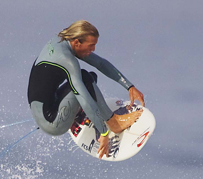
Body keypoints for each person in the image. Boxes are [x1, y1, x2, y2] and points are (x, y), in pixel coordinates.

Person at [27, 20, 146, 159]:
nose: (93, 50)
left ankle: (76, 114)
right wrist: (103, 132)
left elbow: (100, 63)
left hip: (48, 106)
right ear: (77, 42)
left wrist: (129, 86)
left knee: (90, 76)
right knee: (85, 80)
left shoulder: (64, 42)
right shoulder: (67, 60)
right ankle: (114, 122)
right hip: (51, 122)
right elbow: (83, 96)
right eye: (91, 46)